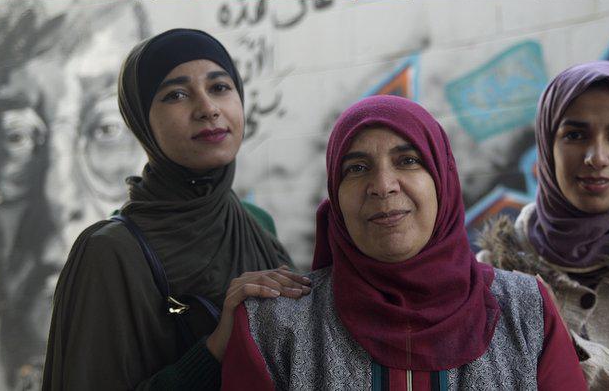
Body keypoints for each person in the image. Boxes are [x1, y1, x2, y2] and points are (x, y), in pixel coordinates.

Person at [221, 95, 586, 389]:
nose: (383, 186)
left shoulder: (526, 312)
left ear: (442, 181)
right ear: (335, 194)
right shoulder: (273, 328)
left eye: (408, 160)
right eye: (357, 168)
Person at [44, 28, 309, 390]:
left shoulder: (256, 223)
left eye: (220, 87)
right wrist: (217, 347)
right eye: (176, 95)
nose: (208, 108)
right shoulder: (108, 252)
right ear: (142, 121)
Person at [477, 61, 609, 389]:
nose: (596, 157)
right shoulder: (495, 274)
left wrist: (578, 356)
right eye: (575, 135)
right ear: (547, 144)